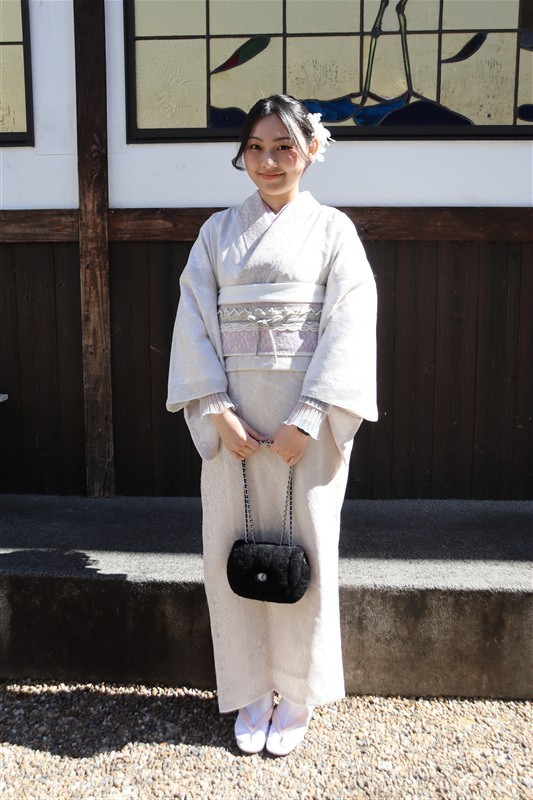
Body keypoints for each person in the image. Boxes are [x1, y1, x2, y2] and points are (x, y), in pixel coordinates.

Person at [167, 94, 377, 756]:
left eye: (284, 147)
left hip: (303, 425)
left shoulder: (333, 231)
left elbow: (349, 324)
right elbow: (194, 321)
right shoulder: (217, 233)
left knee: (306, 547)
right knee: (227, 549)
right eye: (256, 148)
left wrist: (310, 417)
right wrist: (214, 409)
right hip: (232, 422)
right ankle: (251, 687)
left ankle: (300, 689)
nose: (269, 161)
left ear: (310, 150)